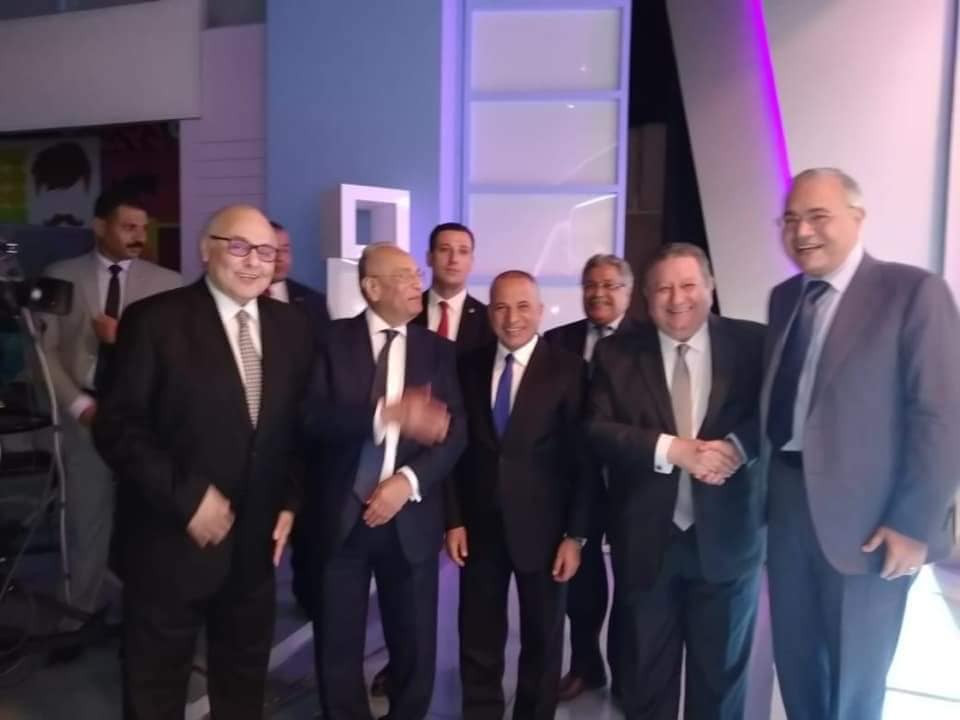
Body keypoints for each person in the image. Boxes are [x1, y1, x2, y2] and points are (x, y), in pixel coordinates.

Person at [93, 205, 314, 719]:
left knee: (243, 684)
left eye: (266, 252)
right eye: (239, 247)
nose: (254, 262)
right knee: (155, 688)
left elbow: (296, 427)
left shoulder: (293, 327)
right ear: (205, 250)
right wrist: (188, 497)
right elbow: (118, 427)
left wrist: (290, 500)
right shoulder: (155, 320)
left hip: (254, 549)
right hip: (170, 541)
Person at [762, 167, 960, 719]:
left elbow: (942, 415)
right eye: (791, 220)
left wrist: (913, 523)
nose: (802, 232)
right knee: (797, 664)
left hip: (870, 524)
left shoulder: (912, 291)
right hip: (787, 507)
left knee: (854, 682)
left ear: (857, 217)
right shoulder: (784, 298)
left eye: (818, 217)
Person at [586, 243, 766, 720]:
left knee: (720, 686)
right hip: (647, 543)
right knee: (646, 682)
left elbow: (776, 415)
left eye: (688, 285)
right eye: (663, 288)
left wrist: (738, 447)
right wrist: (670, 449)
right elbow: (597, 429)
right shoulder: (615, 353)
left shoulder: (753, 344)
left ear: (710, 286)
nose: (677, 298)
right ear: (646, 297)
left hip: (728, 542)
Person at [303, 243, 466, 720]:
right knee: (337, 642)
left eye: (417, 274)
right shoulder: (330, 342)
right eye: (405, 276)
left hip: (409, 517)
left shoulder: (437, 351)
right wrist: (383, 415)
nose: (419, 283)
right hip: (340, 517)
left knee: (414, 641)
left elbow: (456, 433)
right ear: (371, 287)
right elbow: (310, 419)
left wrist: (407, 482)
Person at [446, 270, 594, 720]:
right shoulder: (466, 366)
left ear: (541, 310)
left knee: (543, 641)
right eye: (501, 307)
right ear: (489, 312)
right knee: (478, 639)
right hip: (478, 530)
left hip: (546, 533)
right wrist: (453, 519)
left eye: (523, 306)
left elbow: (584, 461)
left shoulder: (569, 370)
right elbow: (452, 451)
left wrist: (576, 536)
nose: (512, 318)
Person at [40, 187, 181, 630]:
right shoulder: (60, 276)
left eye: (143, 228)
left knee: (150, 521)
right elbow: (41, 353)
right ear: (100, 226)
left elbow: (176, 359)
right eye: (128, 227)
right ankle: (78, 614)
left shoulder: (168, 284)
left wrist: (124, 341)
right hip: (85, 415)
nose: (138, 236)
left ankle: (149, 615)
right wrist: (79, 405)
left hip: (145, 422)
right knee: (86, 519)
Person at [370, 221, 493, 699]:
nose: (453, 258)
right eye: (444, 249)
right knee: (402, 582)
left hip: (470, 464)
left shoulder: (491, 318)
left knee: (468, 587)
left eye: (463, 250)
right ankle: (398, 664)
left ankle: (464, 670)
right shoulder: (404, 308)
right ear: (429, 257)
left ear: (473, 259)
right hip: (406, 465)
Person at [543, 253, 638, 701]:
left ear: (628, 292)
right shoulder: (558, 340)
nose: (598, 293)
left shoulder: (647, 341)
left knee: (633, 582)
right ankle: (586, 665)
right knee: (580, 581)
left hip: (630, 479)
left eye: (610, 285)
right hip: (573, 480)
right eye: (590, 285)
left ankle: (627, 672)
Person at [266, 220, 331, 615]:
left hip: (305, 430)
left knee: (308, 524)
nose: (280, 257)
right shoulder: (237, 302)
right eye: (272, 249)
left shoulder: (313, 303)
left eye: (286, 249)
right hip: (256, 434)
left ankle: (309, 598)